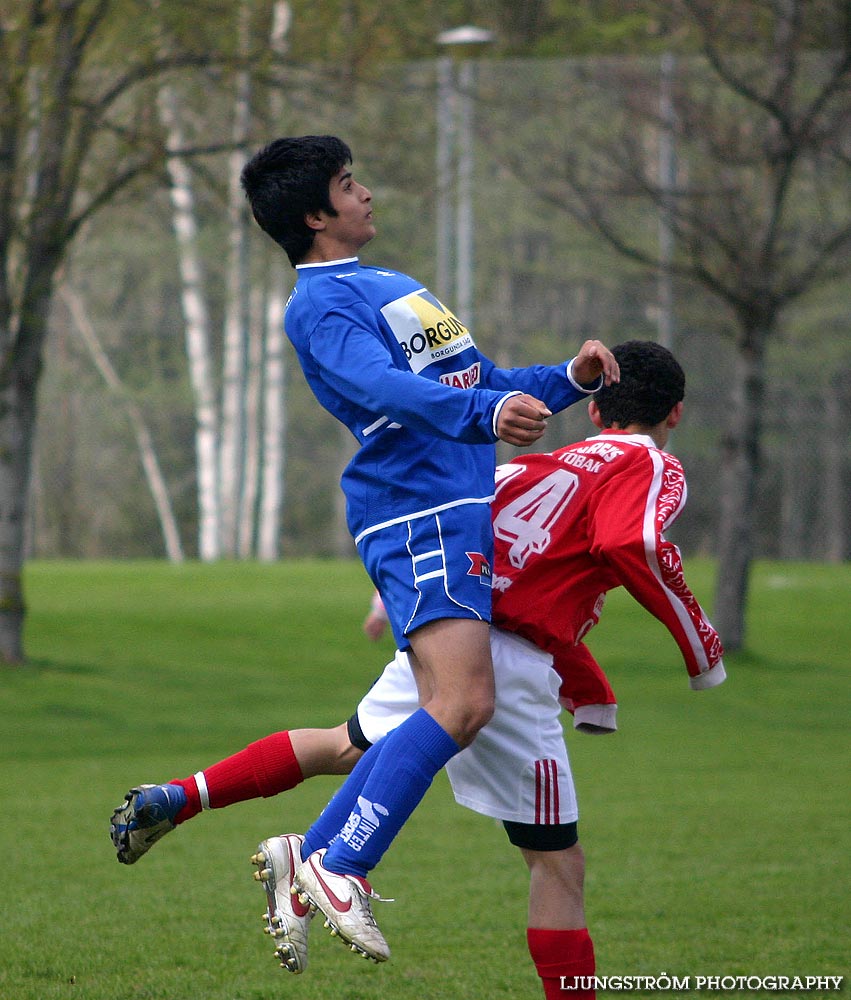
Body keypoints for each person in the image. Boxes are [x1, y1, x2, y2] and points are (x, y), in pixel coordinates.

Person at [111, 341, 725, 999]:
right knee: (556, 864)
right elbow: (630, 543)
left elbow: (450, 526)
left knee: (345, 743)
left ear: (595, 406)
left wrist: (391, 596)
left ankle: (182, 796)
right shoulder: (651, 463)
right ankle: (335, 863)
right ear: (676, 412)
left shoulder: (533, 465)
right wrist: (701, 649)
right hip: (507, 669)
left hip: (446, 628)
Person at [231, 134, 619, 961]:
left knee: (436, 713)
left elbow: (476, 383)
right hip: (417, 513)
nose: (365, 192)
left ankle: (311, 859)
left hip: (454, 509)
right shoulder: (318, 305)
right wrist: (481, 418)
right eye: (346, 184)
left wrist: (569, 379)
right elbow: (382, 390)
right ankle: (342, 868)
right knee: (464, 704)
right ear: (313, 215)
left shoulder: (395, 287)